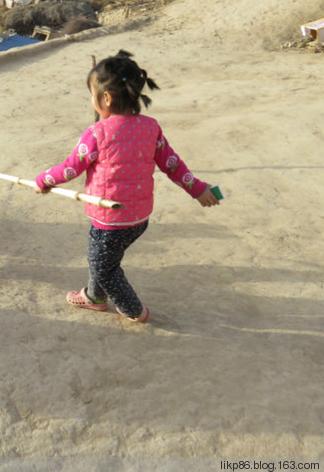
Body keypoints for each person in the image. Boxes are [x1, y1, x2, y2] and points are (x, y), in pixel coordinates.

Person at [35, 50, 220, 323]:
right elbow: (172, 164)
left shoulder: (97, 133)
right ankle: (95, 297)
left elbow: (71, 168)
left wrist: (44, 180)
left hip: (110, 220)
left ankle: (133, 309)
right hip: (139, 218)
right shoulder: (150, 127)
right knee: (105, 259)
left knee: (103, 265)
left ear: (106, 98)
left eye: (92, 94)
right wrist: (198, 188)